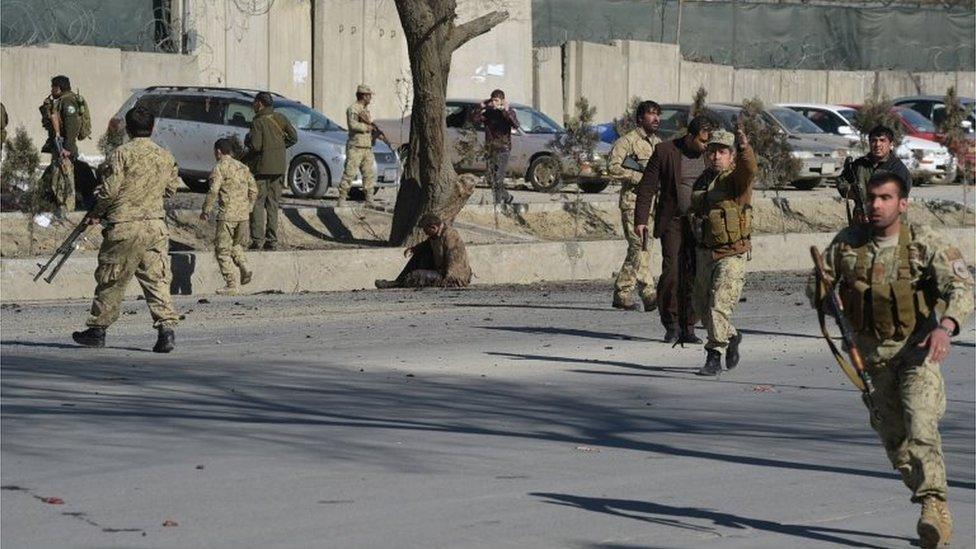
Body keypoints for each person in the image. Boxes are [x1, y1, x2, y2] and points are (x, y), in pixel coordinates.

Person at [808, 170, 972, 549]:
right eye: (872, 198)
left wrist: (945, 327)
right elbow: (818, 285)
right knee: (896, 443)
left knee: (921, 427)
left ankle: (933, 506)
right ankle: (926, 496)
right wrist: (828, 298)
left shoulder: (923, 242)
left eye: (885, 198)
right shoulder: (848, 244)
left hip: (917, 353)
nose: (876, 205)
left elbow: (961, 286)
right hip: (870, 361)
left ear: (903, 203)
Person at [71, 106, 182, 353]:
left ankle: (98, 330)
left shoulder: (120, 154)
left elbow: (109, 191)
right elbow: (170, 189)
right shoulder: (165, 156)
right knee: (157, 280)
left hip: (125, 226)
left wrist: (96, 213)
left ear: (128, 129)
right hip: (155, 226)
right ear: (152, 128)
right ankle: (166, 332)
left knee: (112, 278)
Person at [634, 114, 717, 343]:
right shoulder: (665, 151)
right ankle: (671, 324)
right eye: (702, 141)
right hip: (673, 220)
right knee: (672, 271)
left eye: (708, 142)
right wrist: (641, 220)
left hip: (700, 222)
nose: (705, 146)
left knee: (695, 274)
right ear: (689, 136)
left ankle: (688, 326)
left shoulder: (711, 155)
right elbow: (647, 187)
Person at [690, 127, 757, 376]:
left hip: (731, 253)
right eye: (712, 151)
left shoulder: (737, 179)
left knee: (719, 305)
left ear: (731, 156)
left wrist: (744, 147)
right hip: (705, 252)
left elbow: (749, 168)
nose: (716, 156)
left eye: (722, 152)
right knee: (700, 307)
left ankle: (714, 355)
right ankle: (732, 335)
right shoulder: (704, 179)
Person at [608, 101, 663, 311]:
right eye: (651, 114)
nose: (656, 118)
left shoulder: (658, 143)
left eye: (658, 115)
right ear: (640, 118)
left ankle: (629, 293)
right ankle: (645, 292)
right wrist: (639, 177)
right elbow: (612, 167)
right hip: (632, 203)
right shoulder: (627, 142)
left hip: (651, 204)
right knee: (638, 246)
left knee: (644, 250)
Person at [201, 138, 258, 295]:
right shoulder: (243, 167)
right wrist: (249, 208)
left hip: (227, 216)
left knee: (222, 251)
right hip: (244, 216)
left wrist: (206, 210)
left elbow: (213, 191)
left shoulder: (219, 168)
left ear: (218, 152)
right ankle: (245, 266)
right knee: (236, 246)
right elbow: (254, 190)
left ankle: (231, 284)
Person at [246, 91, 297, 251]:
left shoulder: (257, 122)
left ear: (260, 103)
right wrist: (279, 147)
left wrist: (247, 139)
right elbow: (293, 137)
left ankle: (257, 240)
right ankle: (272, 240)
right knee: (273, 204)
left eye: (254, 102)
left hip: (261, 168)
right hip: (279, 168)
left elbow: (255, 145)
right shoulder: (280, 118)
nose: (253, 105)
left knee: (257, 204)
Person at [837, 124, 912, 225]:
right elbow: (841, 181)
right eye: (874, 140)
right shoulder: (859, 165)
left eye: (882, 140)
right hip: (861, 223)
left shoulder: (897, 169)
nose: (877, 144)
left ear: (890, 144)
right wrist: (853, 194)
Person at [375, 214, 472, 289]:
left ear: (433, 227)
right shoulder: (435, 236)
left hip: (453, 278)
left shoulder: (450, 235)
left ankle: (398, 284)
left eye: (426, 230)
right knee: (419, 254)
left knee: (416, 276)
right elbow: (427, 245)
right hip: (440, 271)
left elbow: (454, 258)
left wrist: (449, 279)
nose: (425, 233)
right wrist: (414, 249)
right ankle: (398, 281)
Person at [39, 75, 83, 215]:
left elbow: (72, 126)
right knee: (57, 181)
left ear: (58, 87)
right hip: (60, 147)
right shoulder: (60, 101)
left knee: (65, 181)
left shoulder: (68, 101)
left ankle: (68, 211)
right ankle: (62, 208)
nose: (51, 89)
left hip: (65, 148)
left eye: (53, 86)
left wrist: (67, 148)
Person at [472, 89, 519, 205]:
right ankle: (507, 197)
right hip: (491, 149)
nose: (494, 103)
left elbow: (516, 124)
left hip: (503, 149)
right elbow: (474, 119)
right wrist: (480, 106)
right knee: (490, 178)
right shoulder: (489, 113)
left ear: (502, 101)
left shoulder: (509, 112)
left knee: (498, 178)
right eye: (492, 100)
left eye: (497, 100)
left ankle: (497, 204)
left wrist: (506, 111)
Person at [337, 85, 378, 208]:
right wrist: (367, 127)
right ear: (363, 96)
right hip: (355, 147)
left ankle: (369, 200)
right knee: (349, 174)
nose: (370, 98)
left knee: (369, 175)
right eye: (369, 95)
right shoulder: (353, 109)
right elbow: (353, 125)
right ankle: (342, 198)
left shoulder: (365, 110)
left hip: (366, 147)